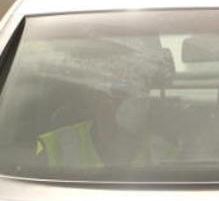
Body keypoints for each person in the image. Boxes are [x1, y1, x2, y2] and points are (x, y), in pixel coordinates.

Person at [35, 53, 179, 169]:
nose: (118, 103)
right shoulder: (56, 145)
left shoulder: (164, 154)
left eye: (131, 93)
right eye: (114, 91)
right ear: (94, 97)